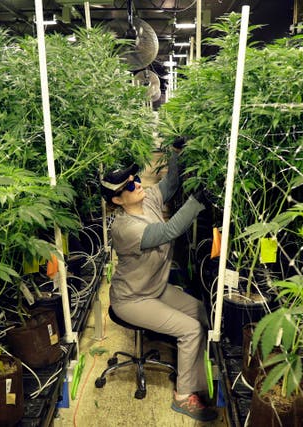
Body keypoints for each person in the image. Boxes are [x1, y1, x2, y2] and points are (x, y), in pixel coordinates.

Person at [101, 146, 217, 422]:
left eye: (135, 178)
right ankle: (182, 397)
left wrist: (176, 152)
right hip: (132, 300)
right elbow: (169, 231)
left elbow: (172, 182)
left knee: (201, 312)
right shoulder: (125, 228)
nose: (137, 184)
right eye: (129, 186)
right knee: (189, 330)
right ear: (117, 200)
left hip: (155, 288)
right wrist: (197, 201)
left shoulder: (148, 197)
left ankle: (200, 383)